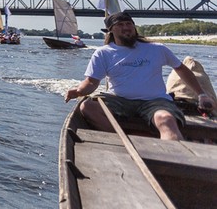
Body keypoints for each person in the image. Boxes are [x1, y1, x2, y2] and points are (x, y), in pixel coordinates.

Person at [65, 12, 215, 140]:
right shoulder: (103, 53)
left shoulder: (157, 49)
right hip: (119, 100)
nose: (126, 27)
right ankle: (122, 140)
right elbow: (91, 82)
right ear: (111, 31)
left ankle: (176, 159)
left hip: (155, 101)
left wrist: (201, 94)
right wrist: (78, 91)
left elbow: (181, 69)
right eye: (120, 25)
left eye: (129, 24)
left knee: (165, 119)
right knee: (87, 107)